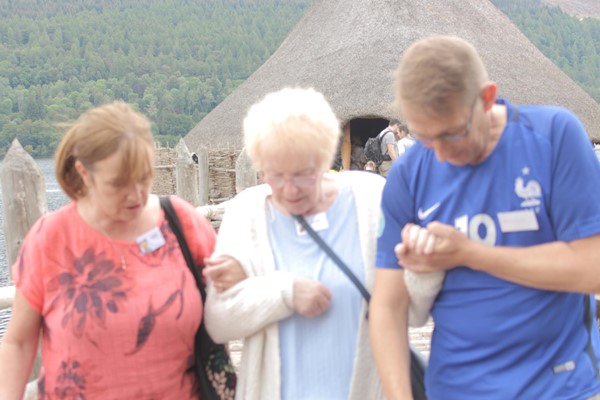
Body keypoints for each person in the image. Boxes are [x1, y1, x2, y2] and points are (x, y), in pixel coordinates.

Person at [369, 35, 600, 400]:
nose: (441, 156)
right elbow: (387, 306)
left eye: (452, 134)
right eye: (427, 139)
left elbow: (592, 269)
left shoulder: (554, 137)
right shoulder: (409, 173)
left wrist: (469, 253)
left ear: (487, 98)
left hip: (559, 387)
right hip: (455, 388)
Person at [0, 101, 217, 399]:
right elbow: (19, 343)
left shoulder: (182, 223)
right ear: (84, 173)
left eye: (144, 177)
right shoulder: (51, 239)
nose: (137, 195)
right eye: (119, 184)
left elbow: (229, 307)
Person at [202, 87, 386, 400]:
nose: (289, 189)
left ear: (325, 156)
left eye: (303, 174)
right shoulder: (247, 212)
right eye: (275, 175)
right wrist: (284, 292)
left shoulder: (371, 199)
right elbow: (219, 321)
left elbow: (411, 306)